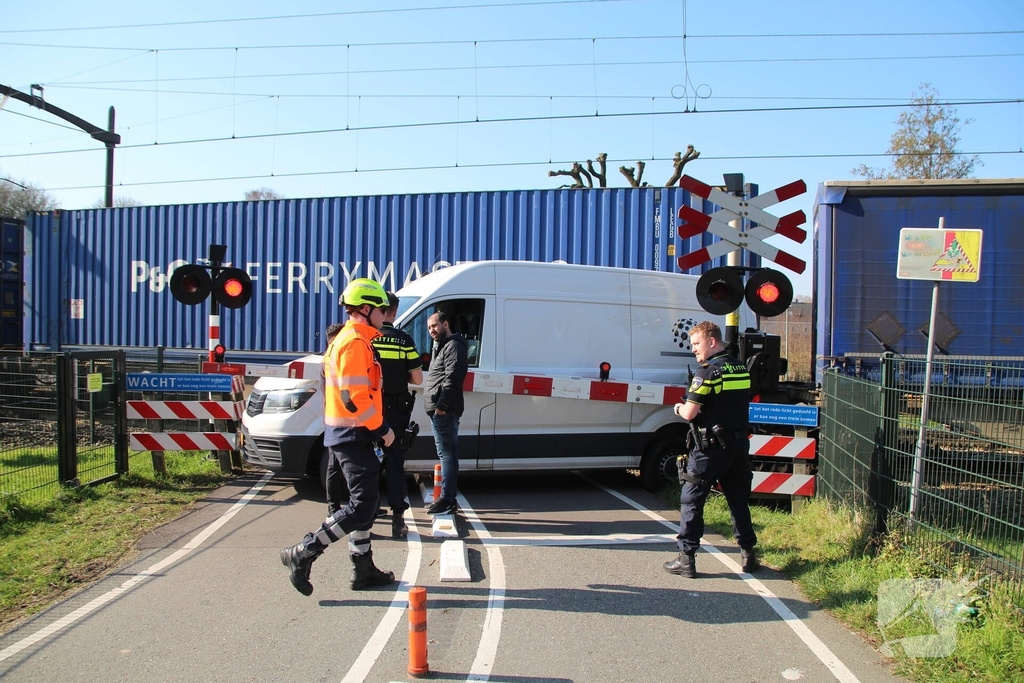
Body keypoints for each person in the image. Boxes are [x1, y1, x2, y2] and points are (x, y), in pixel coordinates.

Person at [281, 278, 396, 595]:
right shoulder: (354, 342)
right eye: (382, 309)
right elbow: (354, 396)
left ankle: (363, 569)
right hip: (352, 432)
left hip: (351, 432)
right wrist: (382, 429)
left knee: (367, 503)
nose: (386, 314)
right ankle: (303, 551)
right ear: (365, 309)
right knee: (362, 505)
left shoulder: (353, 339)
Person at [663, 320, 759, 578]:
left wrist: (679, 408)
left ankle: (686, 558)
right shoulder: (740, 368)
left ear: (712, 341)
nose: (693, 349)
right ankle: (748, 553)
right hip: (738, 446)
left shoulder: (707, 372)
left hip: (710, 449)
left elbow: (690, 412)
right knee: (738, 500)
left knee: (691, 500)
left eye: (697, 344)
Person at [372, 292, 423, 538]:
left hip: (370, 409)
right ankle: (397, 521)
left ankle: (367, 515)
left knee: (367, 462)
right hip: (396, 410)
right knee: (394, 462)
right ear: (394, 312)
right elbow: (417, 379)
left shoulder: (367, 340)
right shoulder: (404, 341)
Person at [422, 311, 468, 515]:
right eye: (429, 327)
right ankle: (447, 498)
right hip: (439, 410)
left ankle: (448, 499)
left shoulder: (453, 346)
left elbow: (453, 379)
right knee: (445, 454)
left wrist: (441, 407)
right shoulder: (441, 346)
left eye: (435, 325)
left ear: (446, 324)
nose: (432, 330)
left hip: (444, 411)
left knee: (447, 455)